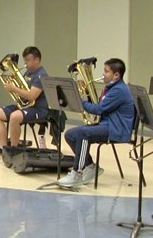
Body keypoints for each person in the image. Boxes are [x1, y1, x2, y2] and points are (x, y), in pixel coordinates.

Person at [58, 58, 136, 187]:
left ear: (116, 75)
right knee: (70, 134)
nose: (103, 74)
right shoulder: (111, 87)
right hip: (107, 124)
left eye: (106, 71)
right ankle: (90, 166)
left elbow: (99, 109)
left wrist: (79, 100)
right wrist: (86, 93)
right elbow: (100, 106)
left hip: (117, 129)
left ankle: (77, 173)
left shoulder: (119, 90)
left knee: (83, 133)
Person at [0, 46, 49, 151]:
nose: (25, 63)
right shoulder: (28, 73)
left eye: (28, 60)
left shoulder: (41, 75)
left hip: (38, 108)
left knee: (14, 117)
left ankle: (14, 149)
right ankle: (4, 148)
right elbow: (23, 91)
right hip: (25, 106)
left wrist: (14, 88)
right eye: (24, 60)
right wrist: (13, 86)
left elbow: (31, 96)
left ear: (37, 60)